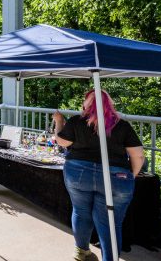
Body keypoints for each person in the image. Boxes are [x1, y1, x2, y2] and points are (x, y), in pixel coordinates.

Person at [53, 90, 145, 261]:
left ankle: (81, 251)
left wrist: (59, 122)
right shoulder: (122, 125)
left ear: (86, 104)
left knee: (81, 212)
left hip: (78, 173)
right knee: (110, 222)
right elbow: (138, 155)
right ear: (110, 104)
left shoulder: (76, 121)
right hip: (115, 176)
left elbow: (62, 142)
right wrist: (130, 175)